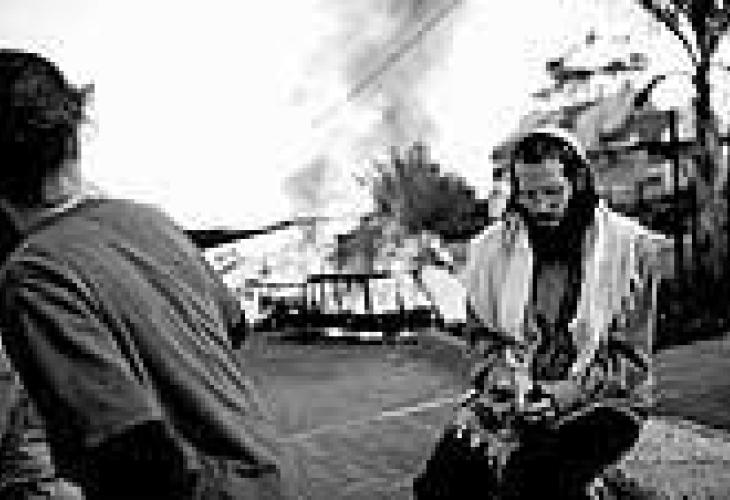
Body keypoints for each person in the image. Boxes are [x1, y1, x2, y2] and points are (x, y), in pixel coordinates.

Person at [0, 48, 306, 499]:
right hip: (269, 477)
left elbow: (130, 451)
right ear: (72, 136)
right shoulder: (151, 221)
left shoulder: (34, 274)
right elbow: (234, 324)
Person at [413, 127, 668, 499]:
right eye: (529, 195)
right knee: (440, 486)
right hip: (514, 397)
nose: (541, 207)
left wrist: (562, 395)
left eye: (552, 192)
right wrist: (501, 377)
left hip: (602, 402)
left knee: (532, 481)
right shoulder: (491, 253)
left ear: (577, 184)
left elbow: (631, 361)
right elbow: (481, 337)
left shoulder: (631, 251)